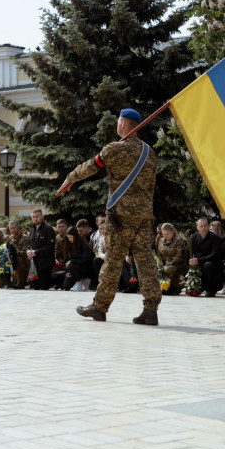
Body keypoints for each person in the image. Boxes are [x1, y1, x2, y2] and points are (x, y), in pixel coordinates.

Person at [63, 108, 161, 325]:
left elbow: (90, 166)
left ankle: (99, 307)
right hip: (144, 216)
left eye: (118, 122)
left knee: (113, 262)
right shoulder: (149, 152)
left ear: (124, 124)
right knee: (145, 262)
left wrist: (70, 178)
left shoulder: (114, 149)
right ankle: (151, 309)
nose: (117, 125)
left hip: (120, 217)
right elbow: (152, 186)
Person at [189, 216, 225, 298]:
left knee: (208, 265)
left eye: (205, 225)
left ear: (209, 226)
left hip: (212, 263)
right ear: (197, 227)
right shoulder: (193, 238)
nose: (204, 228)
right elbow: (189, 253)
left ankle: (210, 290)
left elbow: (215, 254)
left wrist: (199, 260)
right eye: (201, 226)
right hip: (197, 263)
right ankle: (195, 287)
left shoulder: (215, 238)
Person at [26, 210, 57, 290]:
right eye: (33, 217)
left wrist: (36, 252)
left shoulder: (48, 229)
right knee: (35, 287)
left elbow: (50, 247)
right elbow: (30, 243)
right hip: (34, 264)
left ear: (42, 216)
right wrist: (28, 251)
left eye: (37, 216)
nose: (35, 219)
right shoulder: (32, 229)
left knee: (43, 287)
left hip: (45, 264)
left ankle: (58, 280)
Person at [155, 223, 187, 295]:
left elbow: (180, 256)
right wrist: (160, 264)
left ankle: (175, 287)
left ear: (172, 231)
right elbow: (159, 254)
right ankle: (162, 287)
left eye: (167, 234)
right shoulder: (161, 240)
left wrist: (169, 263)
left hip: (176, 264)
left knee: (167, 269)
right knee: (156, 269)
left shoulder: (179, 240)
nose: (165, 236)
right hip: (164, 263)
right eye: (164, 234)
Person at [63, 222, 96, 291]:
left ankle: (80, 282)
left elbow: (84, 260)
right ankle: (78, 280)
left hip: (85, 268)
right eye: (68, 237)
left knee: (71, 265)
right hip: (73, 269)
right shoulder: (68, 245)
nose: (69, 239)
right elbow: (66, 260)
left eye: (71, 237)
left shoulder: (83, 243)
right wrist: (68, 271)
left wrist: (71, 262)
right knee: (66, 286)